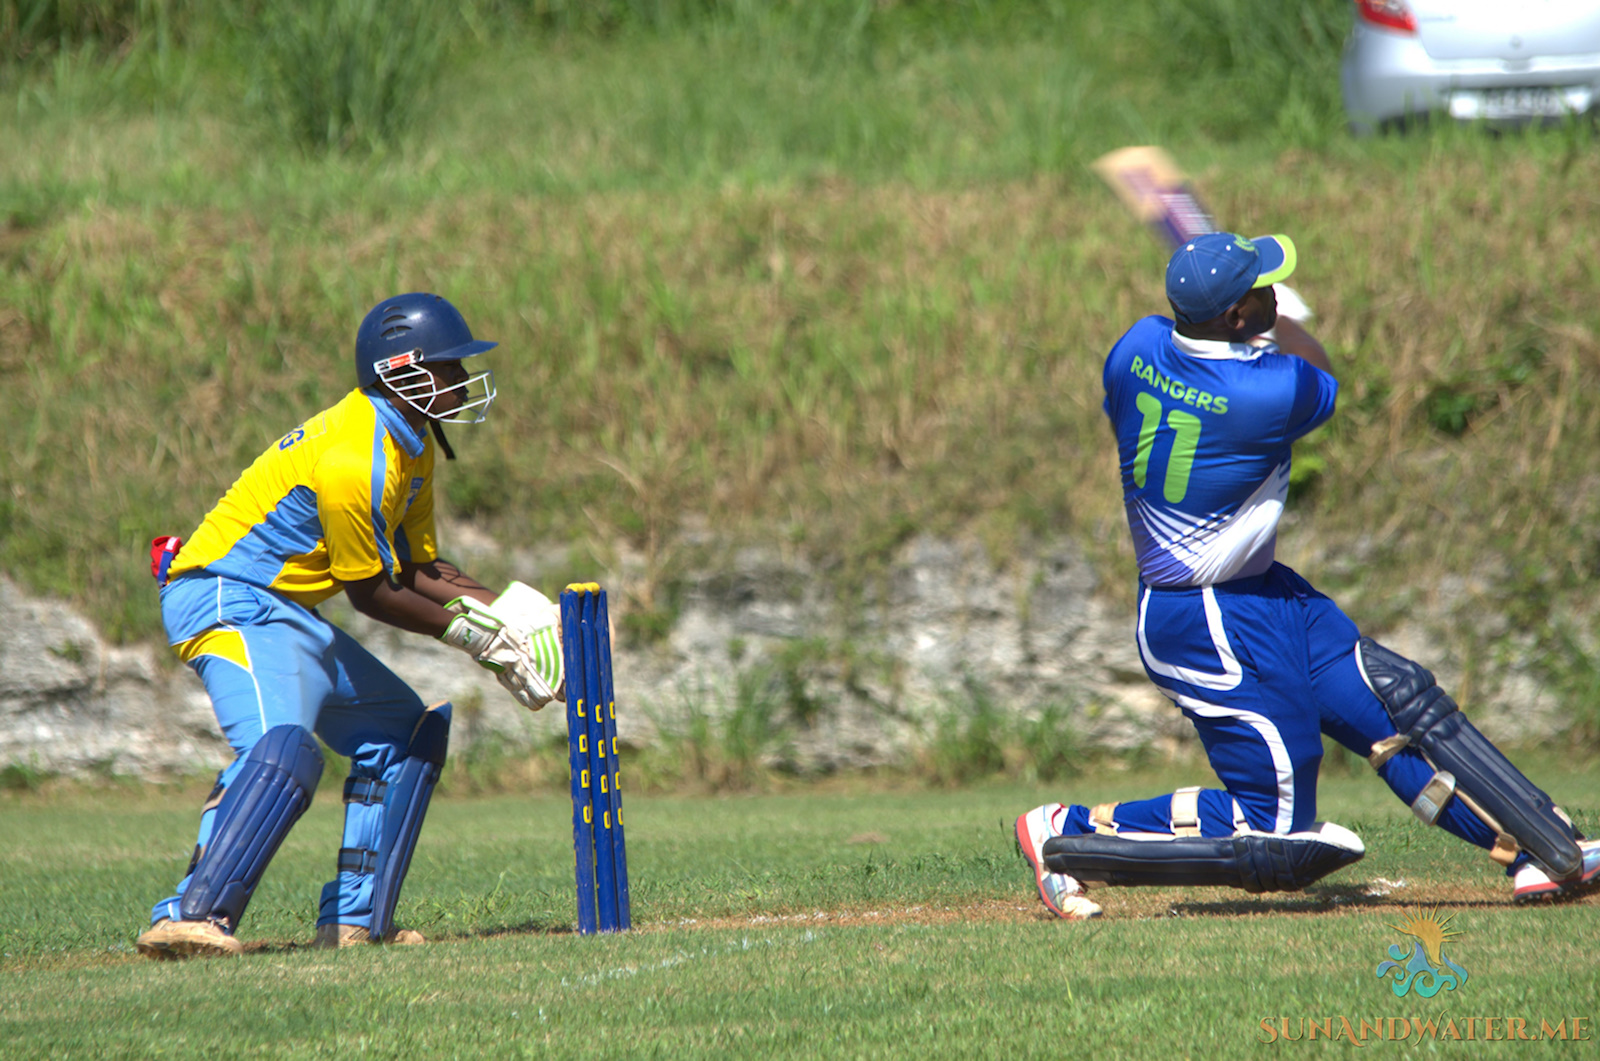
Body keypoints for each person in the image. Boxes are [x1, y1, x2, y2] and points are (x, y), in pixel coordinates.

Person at [1015, 233, 1600, 920]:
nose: (1271, 291)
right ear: (1235, 316)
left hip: (1267, 592)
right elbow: (1321, 373)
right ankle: (1067, 832)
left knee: (1396, 706)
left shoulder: (1135, 348)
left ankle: (1538, 845)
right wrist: (1287, 317)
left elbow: (1200, 354)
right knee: (1278, 831)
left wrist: (1252, 315)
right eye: (1259, 288)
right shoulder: (1263, 395)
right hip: (1202, 617)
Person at [136, 292, 566, 959]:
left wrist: (512, 614)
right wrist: (478, 638)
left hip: (289, 611)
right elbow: (371, 591)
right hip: (226, 598)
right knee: (283, 747)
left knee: (402, 730)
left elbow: (419, 566)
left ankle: (354, 919)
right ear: (400, 370)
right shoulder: (354, 454)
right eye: (448, 367)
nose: (459, 381)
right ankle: (190, 914)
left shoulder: (413, 442)